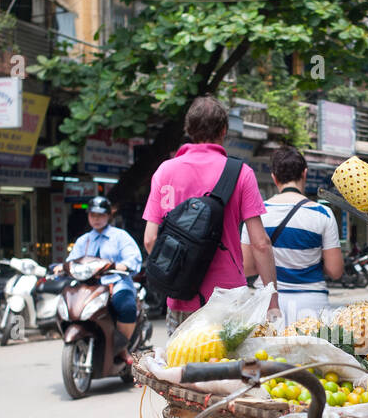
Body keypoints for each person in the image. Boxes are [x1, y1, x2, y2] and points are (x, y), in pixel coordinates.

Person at [142, 96, 281, 335]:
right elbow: (260, 243)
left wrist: (182, 275)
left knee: (182, 369)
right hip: (228, 298)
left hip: (181, 297)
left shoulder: (165, 171)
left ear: (188, 130)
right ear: (224, 130)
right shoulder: (241, 174)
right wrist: (272, 300)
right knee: (227, 369)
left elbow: (150, 240)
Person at [242, 146, 343, 326]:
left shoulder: (257, 215)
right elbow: (335, 271)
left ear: (274, 177)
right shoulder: (323, 213)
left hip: (267, 306)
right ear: (304, 173)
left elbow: (247, 268)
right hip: (312, 308)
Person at [68, 195, 144, 359]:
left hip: (116, 284)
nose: (96, 219)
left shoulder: (120, 236)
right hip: (89, 287)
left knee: (127, 307)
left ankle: (122, 347)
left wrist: (121, 265)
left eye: (100, 215)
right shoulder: (84, 240)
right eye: (92, 215)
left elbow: (133, 259)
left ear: (109, 216)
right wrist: (61, 267)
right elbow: (71, 261)